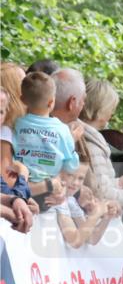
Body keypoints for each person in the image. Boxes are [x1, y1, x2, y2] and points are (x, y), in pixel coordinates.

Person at [12, 71, 78, 204]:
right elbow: (72, 165)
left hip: (19, 189)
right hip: (50, 194)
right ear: (51, 102)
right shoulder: (62, 130)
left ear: (22, 99)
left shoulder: (16, 125)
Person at [80, 79, 123, 213]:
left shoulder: (87, 138)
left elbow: (99, 183)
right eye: (111, 108)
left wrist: (118, 182)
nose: (112, 114)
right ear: (100, 109)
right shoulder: (92, 146)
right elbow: (101, 193)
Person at [53, 159, 121, 248]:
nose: (75, 183)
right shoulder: (57, 199)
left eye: (80, 178)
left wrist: (107, 217)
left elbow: (91, 238)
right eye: (71, 176)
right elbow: (75, 241)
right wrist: (96, 214)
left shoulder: (70, 200)